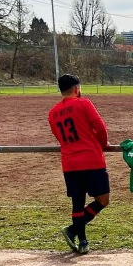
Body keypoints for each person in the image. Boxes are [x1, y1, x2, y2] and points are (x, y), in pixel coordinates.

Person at [48, 74, 110, 254]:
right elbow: (101, 128)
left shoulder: (52, 113)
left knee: (77, 202)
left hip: (69, 163)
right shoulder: (84, 103)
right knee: (103, 200)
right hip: (91, 159)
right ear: (77, 89)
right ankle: (74, 231)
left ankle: (82, 241)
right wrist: (103, 144)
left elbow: (59, 137)